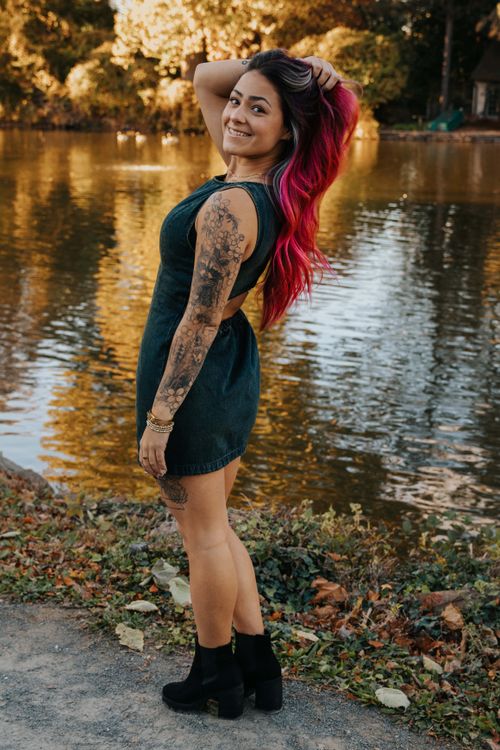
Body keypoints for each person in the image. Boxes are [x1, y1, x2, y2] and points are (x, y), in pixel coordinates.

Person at [135, 48, 359, 720]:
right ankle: (258, 663)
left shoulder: (233, 204)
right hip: (229, 367)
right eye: (237, 101)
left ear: (287, 131)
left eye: (258, 108)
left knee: (202, 537)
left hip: (194, 377)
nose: (234, 112)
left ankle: (216, 676)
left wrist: (160, 419)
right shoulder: (258, 183)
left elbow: (199, 319)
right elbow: (206, 78)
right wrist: (298, 66)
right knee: (215, 526)